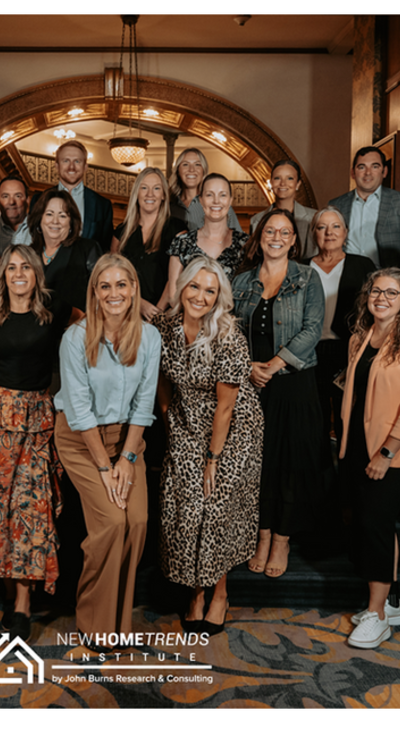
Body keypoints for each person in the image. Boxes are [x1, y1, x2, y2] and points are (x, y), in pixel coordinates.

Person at [0, 245, 73, 641]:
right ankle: (8, 590)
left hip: (37, 419)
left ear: (36, 271)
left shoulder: (54, 308)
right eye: (11, 267)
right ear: (3, 275)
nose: (19, 273)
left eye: (26, 266)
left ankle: (23, 602)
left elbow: (88, 327)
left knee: (30, 508)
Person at [153, 257, 262, 636]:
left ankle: (218, 593)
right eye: (194, 287)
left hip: (231, 428)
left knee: (213, 507)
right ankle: (195, 590)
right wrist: (171, 427)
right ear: (182, 287)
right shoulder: (165, 328)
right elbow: (163, 384)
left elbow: (227, 404)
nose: (200, 296)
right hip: (185, 420)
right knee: (186, 508)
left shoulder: (228, 335)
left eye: (210, 290)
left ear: (219, 297)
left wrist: (212, 458)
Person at [54, 254, 161, 637]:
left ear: (133, 289)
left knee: (138, 522)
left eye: (121, 285)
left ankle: (118, 620)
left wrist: (128, 459)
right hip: (82, 441)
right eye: (105, 286)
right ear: (95, 293)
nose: (114, 293)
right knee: (113, 522)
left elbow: (144, 403)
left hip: (127, 440)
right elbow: (80, 411)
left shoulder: (149, 337)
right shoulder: (75, 338)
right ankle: (94, 623)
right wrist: (106, 466)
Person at [340, 268, 400, 649]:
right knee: (366, 523)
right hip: (358, 445)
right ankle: (391, 602)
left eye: (392, 293)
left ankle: (377, 615)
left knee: (376, 523)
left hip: (396, 451)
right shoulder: (360, 338)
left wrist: (387, 452)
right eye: (376, 290)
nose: (381, 297)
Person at [232, 209, 325, 579]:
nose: (276, 237)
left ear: (293, 240)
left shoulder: (307, 277)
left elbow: (313, 328)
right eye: (270, 230)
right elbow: (228, 329)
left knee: (289, 464)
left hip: (294, 382)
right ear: (259, 237)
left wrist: (271, 365)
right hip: (251, 384)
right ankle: (262, 533)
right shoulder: (239, 281)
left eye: (284, 232)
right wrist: (248, 366)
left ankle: (281, 538)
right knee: (260, 464)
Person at [305, 207, 376, 442]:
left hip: (349, 351)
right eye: (322, 227)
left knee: (349, 421)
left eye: (336, 226)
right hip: (309, 353)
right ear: (313, 232)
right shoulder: (300, 268)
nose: (329, 232)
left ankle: (346, 475)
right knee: (315, 421)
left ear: (345, 232)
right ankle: (320, 475)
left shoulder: (362, 266)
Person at [110, 166, 186, 320]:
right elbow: (113, 276)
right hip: (125, 314)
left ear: (164, 195)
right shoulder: (122, 232)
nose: (150, 194)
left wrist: (157, 313)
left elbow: (176, 278)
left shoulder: (177, 229)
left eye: (156, 188)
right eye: (144, 188)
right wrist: (137, 304)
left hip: (165, 315)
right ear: (137, 193)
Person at [328, 146, 400, 268]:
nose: (368, 173)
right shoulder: (336, 205)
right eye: (361, 167)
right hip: (346, 276)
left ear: (384, 171)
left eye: (375, 166)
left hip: (388, 277)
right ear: (352, 173)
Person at [165, 174, 248, 306]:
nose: (216, 201)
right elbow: (173, 296)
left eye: (222, 195)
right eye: (209, 195)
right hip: (192, 322)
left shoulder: (246, 244)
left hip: (233, 323)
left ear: (230, 200)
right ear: (201, 200)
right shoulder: (182, 243)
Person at [28, 189, 101, 313]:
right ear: (39, 219)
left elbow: (102, 295)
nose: (55, 221)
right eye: (49, 214)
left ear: (71, 222)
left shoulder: (87, 249)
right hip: (33, 328)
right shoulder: (28, 254)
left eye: (62, 215)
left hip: (76, 328)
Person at [49, 141, 114, 250]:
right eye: (66, 161)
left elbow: (105, 249)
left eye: (77, 161)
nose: (71, 167)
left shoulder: (102, 205)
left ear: (85, 167)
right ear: (57, 166)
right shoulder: (39, 200)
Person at [248, 159, 318, 259]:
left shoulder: (313, 218)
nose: (283, 184)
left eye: (289, 178)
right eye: (277, 178)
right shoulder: (256, 220)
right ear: (271, 182)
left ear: (298, 184)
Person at [168, 148, 243, 235]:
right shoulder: (168, 207)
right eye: (185, 164)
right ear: (178, 171)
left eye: (197, 164)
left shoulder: (219, 206)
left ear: (203, 171)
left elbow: (240, 241)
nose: (191, 170)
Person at [0, 175, 30, 253]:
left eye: (18, 196)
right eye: (5, 196)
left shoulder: (41, 229)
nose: (11, 202)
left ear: (27, 200)